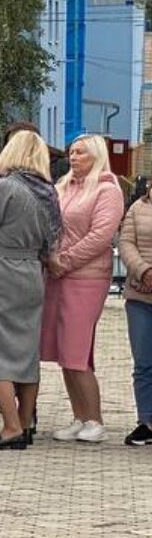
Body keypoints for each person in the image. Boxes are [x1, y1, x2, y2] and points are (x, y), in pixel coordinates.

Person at [0, 130, 61, 450]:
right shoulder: (47, 191)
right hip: (32, 271)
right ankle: (24, 424)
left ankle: (9, 426)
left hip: (2, 269)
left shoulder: (7, 187)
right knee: (25, 351)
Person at [43, 133, 124, 442]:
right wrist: (52, 257)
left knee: (77, 350)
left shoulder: (107, 189)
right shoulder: (63, 186)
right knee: (65, 350)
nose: (73, 157)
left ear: (96, 156)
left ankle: (96, 420)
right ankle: (80, 416)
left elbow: (101, 235)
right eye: (71, 152)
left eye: (80, 153)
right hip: (58, 274)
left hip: (86, 277)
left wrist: (65, 260)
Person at [117, 181, 152, 446]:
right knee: (143, 363)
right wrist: (144, 271)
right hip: (140, 295)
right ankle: (146, 420)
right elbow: (126, 243)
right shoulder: (137, 208)